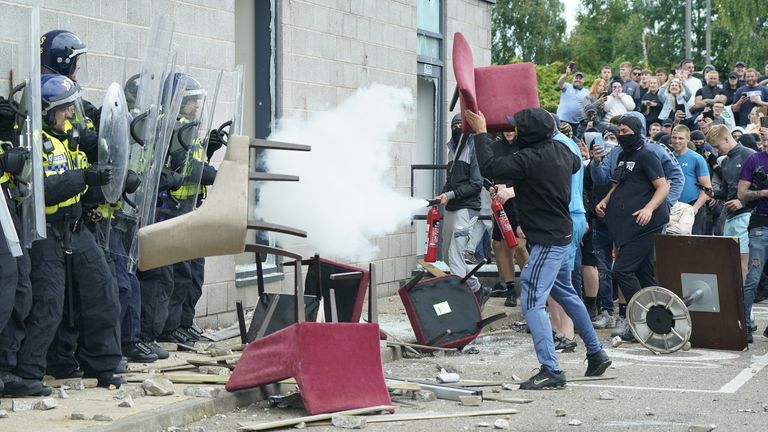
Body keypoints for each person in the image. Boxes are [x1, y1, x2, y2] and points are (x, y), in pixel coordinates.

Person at [468, 107, 611, 390]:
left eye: (519, 130)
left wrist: (482, 134)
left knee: (531, 300)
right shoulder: (563, 152)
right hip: (560, 232)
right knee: (567, 294)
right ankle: (596, 352)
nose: (514, 133)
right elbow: (571, 164)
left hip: (547, 239)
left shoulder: (530, 158)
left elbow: (491, 168)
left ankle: (551, 370)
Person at [12, 75, 123, 394]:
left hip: (77, 228)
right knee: (48, 303)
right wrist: (83, 177)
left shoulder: (73, 140)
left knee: (102, 292)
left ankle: (103, 367)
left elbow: (86, 186)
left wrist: (110, 182)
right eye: (63, 109)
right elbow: (40, 191)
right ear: (46, 112)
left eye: (71, 107)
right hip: (45, 233)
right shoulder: (33, 144)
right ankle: (30, 372)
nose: (71, 115)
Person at [596, 115, 670, 341]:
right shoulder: (621, 155)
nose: (621, 135)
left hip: (646, 225)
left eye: (626, 131)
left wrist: (648, 209)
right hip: (627, 225)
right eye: (619, 131)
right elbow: (618, 184)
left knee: (621, 271)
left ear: (637, 132)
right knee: (644, 275)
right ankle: (663, 319)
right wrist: (606, 200)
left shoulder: (647, 155)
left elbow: (663, 187)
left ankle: (640, 318)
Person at [434, 114, 489, 306]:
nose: (457, 128)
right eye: (454, 125)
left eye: (461, 125)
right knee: (450, 257)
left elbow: (476, 184)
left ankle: (457, 302)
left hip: (467, 209)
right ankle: (477, 288)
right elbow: (451, 180)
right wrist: (442, 194)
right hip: (452, 207)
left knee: (456, 255)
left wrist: (450, 195)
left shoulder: (474, 148)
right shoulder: (452, 149)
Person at [482, 130, 528, 307]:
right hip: (500, 204)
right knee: (499, 245)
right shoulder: (495, 147)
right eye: (505, 128)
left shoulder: (524, 146)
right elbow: (486, 173)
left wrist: (510, 189)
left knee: (519, 246)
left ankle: (532, 285)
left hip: (520, 202)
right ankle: (510, 288)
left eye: (512, 128)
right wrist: (492, 187)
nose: (509, 131)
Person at [706, 124, 756, 282]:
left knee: (742, 261)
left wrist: (743, 202)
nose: (716, 150)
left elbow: (762, 188)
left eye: (717, 146)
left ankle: (741, 302)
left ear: (727, 139)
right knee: (730, 260)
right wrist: (713, 194)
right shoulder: (725, 162)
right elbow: (727, 191)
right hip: (729, 216)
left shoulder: (750, 155)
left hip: (747, 215)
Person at [737, 125, 768, 343]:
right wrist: (764, 192)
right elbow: (742, 194)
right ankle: (745, 324)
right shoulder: (754, 160)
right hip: (760, 225)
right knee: (753, 278)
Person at [670, 125, 712, 235]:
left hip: (692, 206)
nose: (677, 141)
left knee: (693, 246)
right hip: (673, 207)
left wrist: (695, 208)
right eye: (674, 137)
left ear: (688, 139)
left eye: (681, 138)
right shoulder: (668, 158)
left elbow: (707, 188)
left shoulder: (696, 158)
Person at [556, 65, 588, 135]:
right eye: (576, 78)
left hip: (577, 123)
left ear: (583, 80)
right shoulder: (567, 86)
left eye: (580, 78)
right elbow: (559, 82)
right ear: (573, 79)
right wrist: (566, 74)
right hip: (562, 120)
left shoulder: (586, 92)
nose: (578, 80)